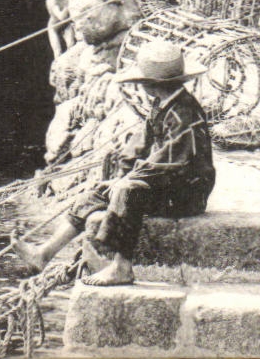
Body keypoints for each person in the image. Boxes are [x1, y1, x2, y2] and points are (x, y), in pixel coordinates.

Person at [14, 41, 215, 286]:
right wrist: (120, 173)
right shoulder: (162, 106)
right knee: (101, 190)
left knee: (128, 191)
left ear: (151, 84)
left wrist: (127, 179)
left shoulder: (184, 113)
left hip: (187, 192)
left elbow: (171, 161)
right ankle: (45, 252)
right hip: (168, 182)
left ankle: (122, 267)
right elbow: (138, 146)